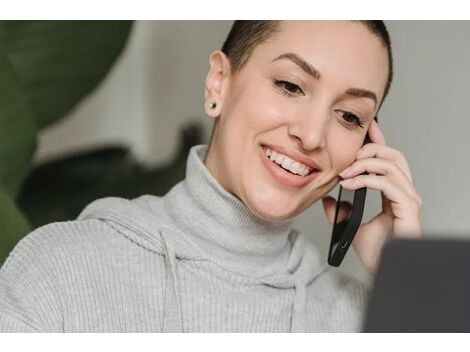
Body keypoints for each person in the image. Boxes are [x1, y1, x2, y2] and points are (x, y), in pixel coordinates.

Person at [0, 20, 422, 332]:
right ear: (219, 82)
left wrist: (408, 281)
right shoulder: (58, 268)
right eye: (290, 86)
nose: (311, 135)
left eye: (349, 116)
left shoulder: (367, 319)